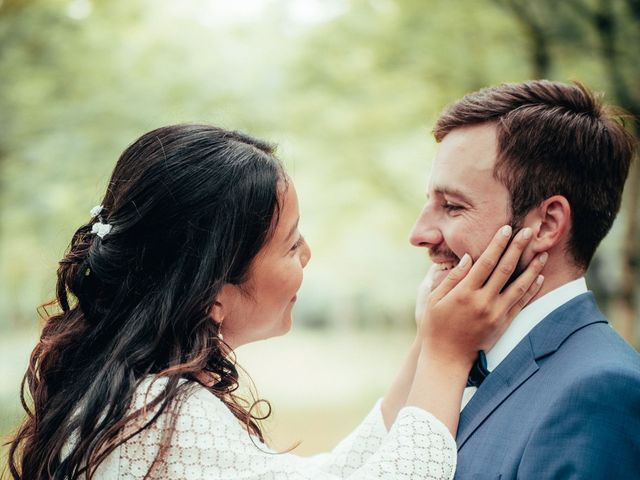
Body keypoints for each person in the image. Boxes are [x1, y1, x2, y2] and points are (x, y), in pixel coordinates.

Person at [7, 124, 546, 480]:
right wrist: (448, 357)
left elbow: (331, 474)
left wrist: (428, 342)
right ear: (212, 292)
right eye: (291, 243)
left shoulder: (130, 393)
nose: (307, 254)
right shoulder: (157, 417)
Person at [409, 80, 640, 478]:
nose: (419, 234)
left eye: (452, 206)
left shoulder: (600, 391)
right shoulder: (457, 357)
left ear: (547, 224)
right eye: (429, 202)